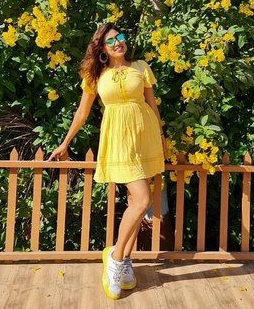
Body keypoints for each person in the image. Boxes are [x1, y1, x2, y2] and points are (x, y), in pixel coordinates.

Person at [47, 22, 167, 300]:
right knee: (142, 200)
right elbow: (82, 112)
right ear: (101, 48)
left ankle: (124, 262)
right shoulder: (96, 75)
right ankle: (114, 258)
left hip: (145, 138)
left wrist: (161, 137)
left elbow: (152, 105)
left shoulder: (140, 67)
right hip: (119, 140)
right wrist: (65, 142)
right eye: (110, 40)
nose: (117, 43)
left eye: (120, 37)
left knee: (135, 203)